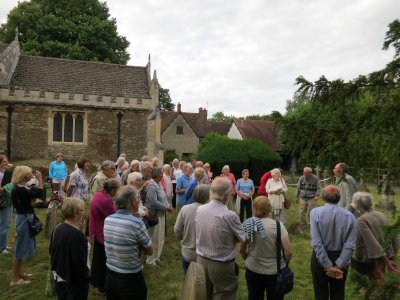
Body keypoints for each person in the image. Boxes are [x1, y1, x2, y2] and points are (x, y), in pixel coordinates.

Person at [196, 177, 247, 300]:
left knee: (204, 294)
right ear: (226, 196)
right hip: (221, 264)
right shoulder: (229, 215)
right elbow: (244, 238)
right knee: (225, 294)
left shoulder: (200, 209)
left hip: (201, 260)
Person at [104, 185, 153, 299]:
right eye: (138, 198)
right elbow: (150, 250)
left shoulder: (108, 219)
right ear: (132, 202)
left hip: (110, 273)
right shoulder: (136, 223)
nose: (139, 200)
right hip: (130, 277)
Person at [240, 196, 292, 300]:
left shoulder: (248, 224)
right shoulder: (278, 225)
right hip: (275, 271)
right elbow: (288, 251)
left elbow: (242, 250)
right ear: (269, 208)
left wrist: (247, 257)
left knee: (254, 296)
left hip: (253, 268)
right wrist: (284, 263)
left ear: (254, 208)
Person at [310, 185, 356, 300]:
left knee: (320, 293)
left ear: (323, 197)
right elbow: (350, 245)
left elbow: (317, 242)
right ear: (339, 197)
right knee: (338, 293)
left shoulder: (315, 213)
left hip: (320, 256)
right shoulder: (350, 216)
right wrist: (339, 265)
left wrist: (328, 266)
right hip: (341, 256)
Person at [351, 192, 399, 281]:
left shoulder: (361, 220)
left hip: (372, 260)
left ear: (358, 207)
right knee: (380, 283)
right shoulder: (380, 214)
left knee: (373, 285)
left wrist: (388, 262)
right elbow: (395, 238)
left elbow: (372, 243)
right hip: (384, 255)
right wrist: (393, 258)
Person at [50, 197, 90, 299]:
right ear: (76, 213)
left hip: (60, 276)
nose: (84, 212)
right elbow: (79, 263)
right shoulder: (77, 235)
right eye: (82, 210)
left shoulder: (58, 227)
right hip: (74, 282)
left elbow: (51, 251)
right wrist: (87, 275)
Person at [10, 166, 43, 286]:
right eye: (29, 173)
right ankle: (15, 279)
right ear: (24, 175)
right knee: (19, 249)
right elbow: (39, 193)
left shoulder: (20, 188)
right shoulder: (20, 190)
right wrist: (40, 179)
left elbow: (33, 197)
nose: (31, 174)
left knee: (21, 246)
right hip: (24, 219)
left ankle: (19, 273)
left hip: (24, 217)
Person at [89, 179, 120, 295]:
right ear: (112, 190)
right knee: (103, 261)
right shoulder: (106, 200)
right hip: (103, 232)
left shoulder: (99, 194)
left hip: (97, 231)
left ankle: (99, 285)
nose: (117, 193)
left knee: (98, 259)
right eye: (116, 190)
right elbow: (114, 216)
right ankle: (102, 287)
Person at [174, 184, 210, 274]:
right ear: (208, 195)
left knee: (189, 282)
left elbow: (177, 230)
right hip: (206, 255)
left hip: (188, 252)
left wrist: (183, 238)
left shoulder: (185, 209)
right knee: (205, 282)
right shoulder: (211, 211)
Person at [145, 167, 173, 266]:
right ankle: (150, 260)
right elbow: (154, 202)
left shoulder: (159, 184)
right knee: (154, 238)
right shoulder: (151, 186)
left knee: (160, 238)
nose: (162, 175)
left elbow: (164, 198)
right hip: (155, 216)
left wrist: (168, 206)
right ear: (156, 174)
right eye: (161, 173)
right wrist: (167, 208)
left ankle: (157, 257)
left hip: (161, 214)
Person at [0, 155, 13, 254]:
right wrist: (10, 185)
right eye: (4, 161)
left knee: (5, 224)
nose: (6, 163)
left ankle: (3, 244)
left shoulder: (6, 173)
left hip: (6, 199)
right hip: (3, 201)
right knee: (4, 225)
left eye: (7, 161)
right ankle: (2, 248)